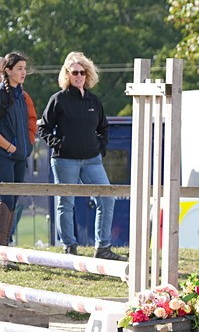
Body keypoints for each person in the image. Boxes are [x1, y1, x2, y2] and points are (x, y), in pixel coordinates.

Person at [38, 52, 122, 259]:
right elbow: (44, 129)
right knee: (66, 203)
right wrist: (60, 145)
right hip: (64, 160)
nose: (79, 76)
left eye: (82, 72)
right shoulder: (58, 99)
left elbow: (104, 127)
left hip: (92, 160)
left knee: (107, 198)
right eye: (74, 72)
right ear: (67, 74)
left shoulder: (94, 100)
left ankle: (103, 248)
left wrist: (100, 147)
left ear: (88, 74)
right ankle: (69, 246)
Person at [0, 52, 37, 256]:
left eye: (25, 68)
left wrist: (27, 146)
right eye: (19, 69)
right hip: (4, 156)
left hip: (21, 158)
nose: (23, 72)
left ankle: (6, 245)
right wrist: (9, 147)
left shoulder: (22, 96)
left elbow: (29, 124)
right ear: (8, 71)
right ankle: (3, 252)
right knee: (5, 200)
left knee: (14, 199)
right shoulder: (0, 94)